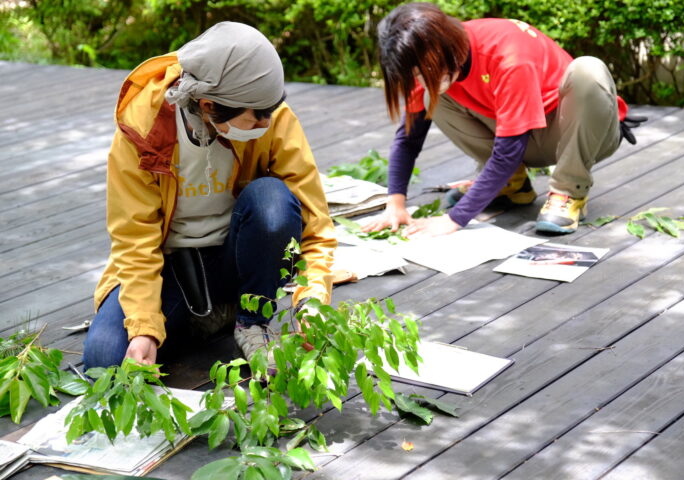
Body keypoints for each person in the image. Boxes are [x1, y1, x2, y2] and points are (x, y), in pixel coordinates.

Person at [83, 22, 336, 369]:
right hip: (172, 266)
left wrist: (312, 301)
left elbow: (314, 221)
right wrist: (144, 328)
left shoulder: (269, 111)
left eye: (271, 110)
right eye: (256, 117)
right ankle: (203, 314)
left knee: (272, 201)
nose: (268, 121)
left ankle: (250, 319)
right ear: (208, 105)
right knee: (104, 361)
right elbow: (134, 239)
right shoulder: (142, 131)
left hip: (238, 253)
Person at [365, 3, 644, 238]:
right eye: (415, 76)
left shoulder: (506, 54)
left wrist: (453, 220)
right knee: (431, 98)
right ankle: (512, 185)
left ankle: (569, 191)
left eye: (423, 72)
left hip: (580, 134)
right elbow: (409, 138)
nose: (420, 80)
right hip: (522, 138)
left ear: (440, 47)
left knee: (588, 69)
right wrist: (395, 203)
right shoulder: (426, 61)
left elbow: (508, 151)